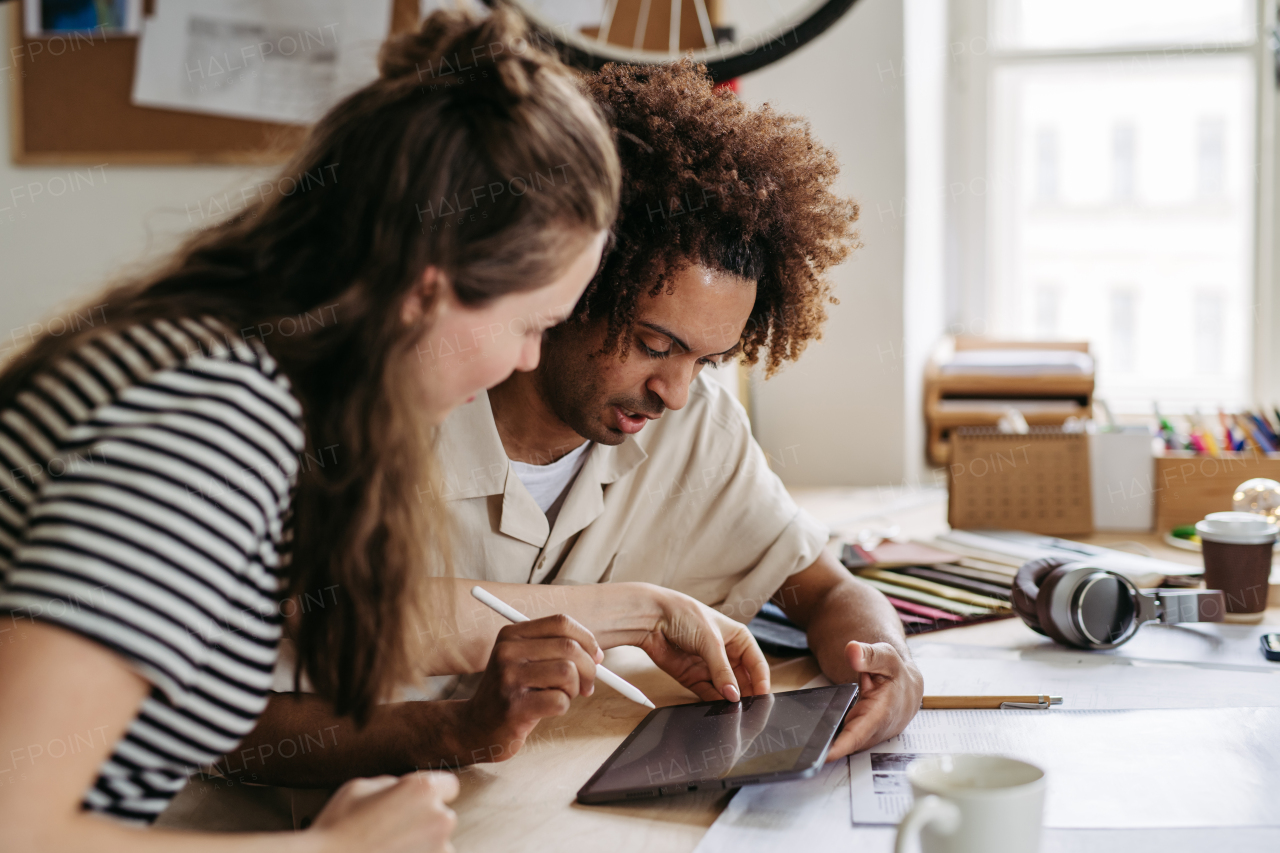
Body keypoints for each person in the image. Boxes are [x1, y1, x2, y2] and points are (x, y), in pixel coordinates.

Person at [0, 10, 662, 851]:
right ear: (428, 289)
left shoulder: (245, 385)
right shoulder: (207, 416)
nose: (529, 361)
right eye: (536, 322)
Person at [234, 59, 923, 791]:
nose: (675, 392)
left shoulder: (692, 423)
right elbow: (289, 665)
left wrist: (887, 660)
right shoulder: (369, 402)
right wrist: (629, 619)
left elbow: (822, 587)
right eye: (654, 345)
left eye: (708, 359)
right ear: (565, 282)